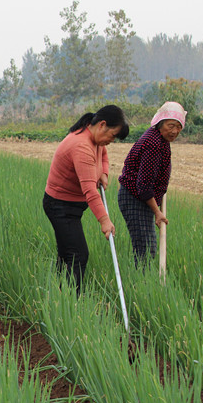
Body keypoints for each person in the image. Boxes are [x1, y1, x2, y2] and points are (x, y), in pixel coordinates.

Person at [43, 105, 129, 294]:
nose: (111, 141)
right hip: (61, 206)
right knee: (78, 255)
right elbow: (90, 191)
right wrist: (104, 221)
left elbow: (103, 153)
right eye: (112, 136)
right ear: (102, 125)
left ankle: (60, 296)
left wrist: (104, 172)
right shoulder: (81, 146)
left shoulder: (94, 137)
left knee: (67, 254)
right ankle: (72, 302)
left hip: (70, 205)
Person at [118, 102, 186, 266]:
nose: (174, 131)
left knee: (148, 249)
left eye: (178, 127)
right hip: (135, 198)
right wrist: (157, 212)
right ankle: (140, 285)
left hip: (143, 199)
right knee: (145, 250)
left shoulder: (161, 140)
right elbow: (144, 185)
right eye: (171, 126)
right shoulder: (153, 144)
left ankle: (143, 283)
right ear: (160, 123)